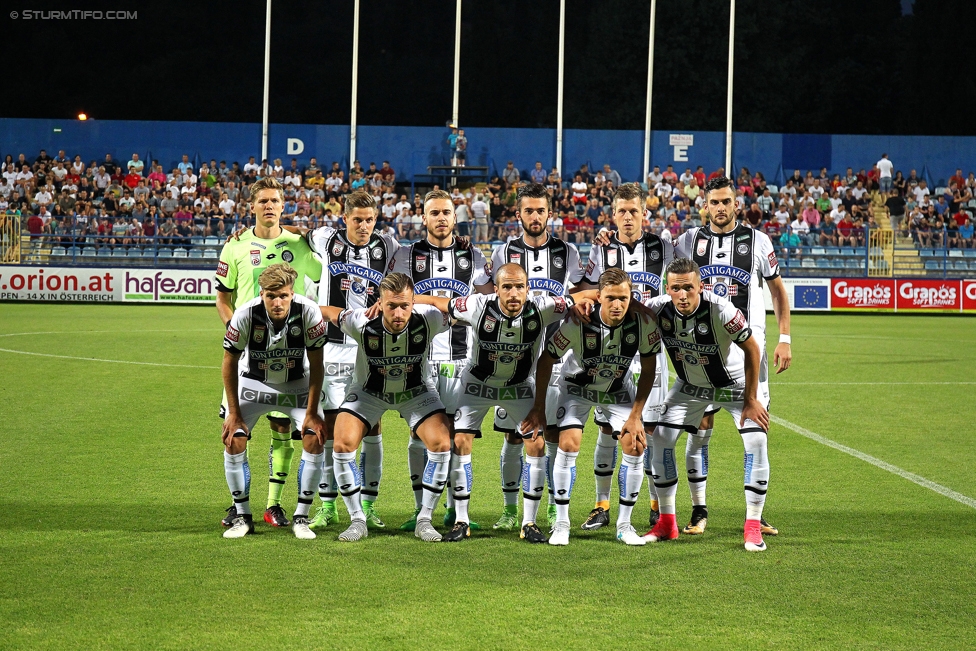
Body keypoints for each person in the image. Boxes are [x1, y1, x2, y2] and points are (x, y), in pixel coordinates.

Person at [416, 263, 589, 542]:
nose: (513, 293)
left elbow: (583, 296)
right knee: (460, 442)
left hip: (519, 386)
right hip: (476, 385)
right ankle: (461, 520)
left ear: (527, 288)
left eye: (519, 286)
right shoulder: (476, 305)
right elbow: (440, 302)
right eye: (506, 286)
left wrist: (587, 305)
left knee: (535, 443)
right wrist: (404, 300)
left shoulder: (544, 307)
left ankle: (529, 522)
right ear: (496, 289)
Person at [672, 176, 789, 538]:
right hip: (700, 356)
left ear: (736, 204)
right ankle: (699, 509)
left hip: (747, 358)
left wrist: (784, 337)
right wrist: (606, 238)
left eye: (726, 202)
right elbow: (648, 248)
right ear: (704, 205)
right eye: (714, 202)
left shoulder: (758, 242)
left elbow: (778, 293)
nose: (720, 208)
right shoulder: (688, 241)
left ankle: (755, 515)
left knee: (756, 435)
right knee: (699, 434)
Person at [522, 268, 660, 546]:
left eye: (623, 297)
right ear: (599, 297)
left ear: (631, 297)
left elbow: (648, 369)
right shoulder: (578, 322)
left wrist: (635, 416)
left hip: (617, 389)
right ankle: (561, 524)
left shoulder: (643, 323)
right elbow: (547, 360)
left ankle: (624, 525)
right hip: (577, 389)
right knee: (569, 443)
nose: (617, 304)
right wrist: (538, 407)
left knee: (635, 443)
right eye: (610, 298)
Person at [215, 177, 323, 530]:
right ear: (252, 205)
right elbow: (223, 297)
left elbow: (323, 276)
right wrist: (240, 332)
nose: (269, 206)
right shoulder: (234, 246)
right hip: (250, 352)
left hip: (291, 352)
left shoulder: (299, 243)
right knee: (238, 429)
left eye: (275, 200)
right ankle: (239, 506)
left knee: (283, 427)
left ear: (282, 204)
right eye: (263, 200)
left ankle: (273, 505)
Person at [642, 258, 771, 552]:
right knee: (660, 440)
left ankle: (752, 526)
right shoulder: (656, 309)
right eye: (676, 288)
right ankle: (666, 522)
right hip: (691, 388)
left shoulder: (722, 310)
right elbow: (620, 308)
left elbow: (752, 348)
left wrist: (751, 399)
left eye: (689, 287)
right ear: (668, 289)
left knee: (757, 441)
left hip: (736, 387)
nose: (683, 294)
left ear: (701, 286)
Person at [317, 273, 456, 543]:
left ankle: (424, 519)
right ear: (379, 304)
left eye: (405, 305)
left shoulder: (429, 319)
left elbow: (453, 306)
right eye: (391, 305)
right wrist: (295, 304)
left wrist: (420, 300)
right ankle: (358, 520)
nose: (399, 312)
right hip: (369, 393)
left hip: (415, 393)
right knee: (342, 444)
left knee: (441, 444)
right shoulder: (361, 321)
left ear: (413, 303)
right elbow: (329, 312)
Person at [389, 190, 493, 532]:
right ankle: (422, 509)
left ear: (455, 216)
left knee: (460, 436)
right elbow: (399, 296)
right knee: (419, 436)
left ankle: (454, 510)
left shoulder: (472, 255)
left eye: (446, 212)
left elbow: (484, 299)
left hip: (462, 359)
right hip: (421, 359)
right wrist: (443, 302)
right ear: (423, 217)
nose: (441, 218)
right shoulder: (407, 255)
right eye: (434, 213)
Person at [490, 183, 584, 531]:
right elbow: (489, 294)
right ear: (519, 214)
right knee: (515, 436)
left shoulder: (568, 252)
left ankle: (550, 510)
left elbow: (582, 292)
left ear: (549, 213)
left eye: (540, 210)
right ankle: (511, 510)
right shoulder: (504, 253)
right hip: (515, 363)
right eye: (528, 210)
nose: (534, 216)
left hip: (557, 360)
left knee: (556, 436)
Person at [304, 191, 400, 530]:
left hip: (370, 347)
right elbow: (291, 231)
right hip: (331, 344)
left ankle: (369, 506)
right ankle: (328, 506)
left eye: (369, 219)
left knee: (372, 426)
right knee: (330, 428)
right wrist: (248, 232)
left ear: (376, 219)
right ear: (344, 217)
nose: (363, 225)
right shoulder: (326, 239)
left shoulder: (387, 245)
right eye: (357, 219)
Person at [582, 182, 674, 532]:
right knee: (607, 431)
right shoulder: (600, 250)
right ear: (613, 214)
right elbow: (586, 292)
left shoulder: (663, 248)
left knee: (648, 431)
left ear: (644, 214)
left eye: (633, 211)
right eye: (621, 211)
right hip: (612, 353)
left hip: (652, 350)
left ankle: (654, 506)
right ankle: (601, 505)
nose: (627, 217)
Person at [220, 264, 328, 539]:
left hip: (295, 383)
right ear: (261, 293)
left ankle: (301, 517)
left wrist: (313, 412)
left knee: (314, 437)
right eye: (271, 296)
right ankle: (242, 517)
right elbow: (229, 362)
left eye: (283, 295)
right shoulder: (245, 314)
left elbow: (317, 364)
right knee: (235, 438)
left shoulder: (310, 312)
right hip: (254, 382)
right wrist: (233, 413)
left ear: (292, 293)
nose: (277, 302)